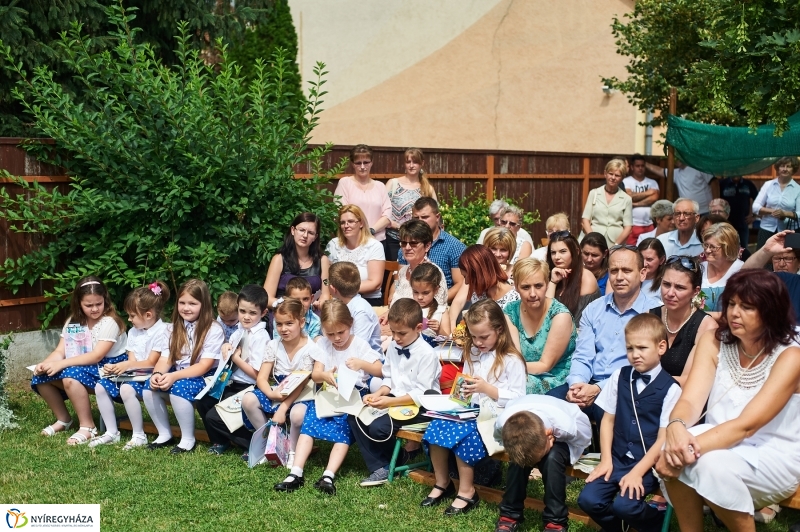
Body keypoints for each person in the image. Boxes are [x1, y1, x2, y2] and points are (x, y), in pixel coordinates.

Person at [656, 270, 800, 532]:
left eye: (747, 307)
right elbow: (690, 401)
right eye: (731, 303)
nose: (734, 313)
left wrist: (684, 450)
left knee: (703, 464)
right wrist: (676, 426)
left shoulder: (790, 356)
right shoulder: (714, 341)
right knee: (673, 445)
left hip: (772, 452)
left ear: (771, 311)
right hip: (716, 441)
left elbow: (747, 425)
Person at [421, 299, 526, 515]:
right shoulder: (474, 352)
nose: (478, 342)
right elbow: (467, 384)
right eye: (474, 336)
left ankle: (467, 491)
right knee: (437, 425)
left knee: (462, 434)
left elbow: (519, 398)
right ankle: (443, 482)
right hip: (471, 411)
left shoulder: (512, 359)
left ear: (499, 329)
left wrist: (488, 389)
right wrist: (460, 395)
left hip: (497, 417)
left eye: (484, 337)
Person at [578, 314, 680, 532]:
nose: (635, 355)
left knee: (626, 506)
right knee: (588, 499)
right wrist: (606, 460)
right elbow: (608, 420)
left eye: (642, 348)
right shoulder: (619, 376)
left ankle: (654, 521)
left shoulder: (671, 389)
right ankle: (618, 528)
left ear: (661, 347)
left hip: (648, 464)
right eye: (630, 348)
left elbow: (663, 438)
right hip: (617, 459)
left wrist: (636, 473)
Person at [275, 300, 383, 494]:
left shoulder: (359, 345)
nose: (336, 338)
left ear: (350, 325)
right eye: (330, 334)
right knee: (309, 425)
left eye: (341, 332)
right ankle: (296, 472)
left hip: (353, 395)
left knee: (343, 430)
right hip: (329, 395)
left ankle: (328, 475)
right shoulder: (324, 345)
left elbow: (380, 369)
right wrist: (325, 375)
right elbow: (315, 374)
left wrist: (362, 364)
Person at [547, 245, 657, 425]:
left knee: (609, 413)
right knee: (549, 406)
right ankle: (561, 453)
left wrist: (598, 388)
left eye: (627, 271)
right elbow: (582, 355)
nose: (619, 277)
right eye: (614, 271)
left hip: (626, 387)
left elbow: (643, 368)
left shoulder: (653, 312)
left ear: (643, 273)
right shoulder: (594, 309)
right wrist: (576, 385)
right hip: (587, 381)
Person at [348, 298, 441, 487]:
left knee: (378, 427)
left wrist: (388, 403)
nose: (397, 338)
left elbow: (420, 393)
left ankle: (388, 463)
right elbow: (389, 378)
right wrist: (379, 394)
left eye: (402, 333)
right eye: (393, 332)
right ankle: (383, 464)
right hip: (396, 398)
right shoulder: (394, 346)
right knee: (355, 416)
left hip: (421, 406)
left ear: (418, 328)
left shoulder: (427, 354)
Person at [32, 276, 127, 445]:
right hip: (83, 367)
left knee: (70, 375)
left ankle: (88, 426)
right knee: (40, 376)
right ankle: (63, 419)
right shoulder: (73, 322)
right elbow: (61, 350)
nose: (95, 309)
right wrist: (46, 364)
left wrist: (61, 364)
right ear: (79, 303)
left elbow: (97, 356)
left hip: (109, 370)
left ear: (105, 299)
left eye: (99, 303)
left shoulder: (110, 322)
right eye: (88, 305)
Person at [143, 279, 224, 453]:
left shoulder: (213, 329)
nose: (186, 308)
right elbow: (166, 358)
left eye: (192, 303)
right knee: (149, 386)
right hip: (178, 372)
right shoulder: (172, 329)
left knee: (179, 388)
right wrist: (157, 374)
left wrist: (173, 377)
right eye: (182, 302)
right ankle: (164, 433)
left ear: (204, 305)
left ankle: (188, 439)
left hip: (204, 377)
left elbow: (204, 365)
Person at [492, 395, 592, 532]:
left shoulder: (568, 427)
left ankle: (555, 521)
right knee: (519, 458)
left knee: (552, 458)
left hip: (567, 435)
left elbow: (584, 440)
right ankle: (509, 514)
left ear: (548, 434)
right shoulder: (503, 423)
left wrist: (555, 442)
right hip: (530, 421)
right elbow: (500, 439)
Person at [92, 281, 170, 449]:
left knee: (126, 389)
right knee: (100, 386)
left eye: (132, 315)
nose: (129, 319)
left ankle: (139, 434)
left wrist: (126, 366)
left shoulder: (163, 331)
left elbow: (152, 363)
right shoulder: (133, 331)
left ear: (148, 315)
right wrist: (116, 367)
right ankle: (111, 432)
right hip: (136, 373)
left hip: (152, 375)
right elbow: (132, 359)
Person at [241, 298, 318, 463]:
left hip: (301, 393)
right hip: (278, 389)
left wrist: (282, 408)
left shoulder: (310, 348)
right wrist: (271, 393)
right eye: (279, 324)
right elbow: (262, 377)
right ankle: (270, 441)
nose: (283, 329)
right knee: (248, 399)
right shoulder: (273, 345)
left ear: (302, 322)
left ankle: (293, 450)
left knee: (297, 415)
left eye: (289, 323)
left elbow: (302, 383)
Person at [202, 284, 270, 455]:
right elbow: (230, 357)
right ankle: (220, 441)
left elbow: (258, 374)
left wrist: (236, 359)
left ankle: (254, 444)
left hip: (249, 388)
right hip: (231, 382)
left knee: (214, 417)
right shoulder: (238, 331)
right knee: (204, 402)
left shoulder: (261, 337)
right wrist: (226, 347)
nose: (246, 317)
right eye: (242, 311)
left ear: (263, 313)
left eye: (252, 313)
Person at [505, 259, 576, 395]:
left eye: (538, 286)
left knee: (517, 385)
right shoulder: (511, 311)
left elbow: (545, 365)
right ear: (516, 287)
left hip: (555, 379)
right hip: (521, 373)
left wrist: (507, 369)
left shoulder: (559, 315)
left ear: (547, 285)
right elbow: (515, 357)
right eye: (525, 287)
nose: (532, 294)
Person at [649, 256, 717, 385]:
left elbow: (690, 381)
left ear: (695, 291)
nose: (670, 293)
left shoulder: (706, 327)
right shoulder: (650, 317)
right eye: (666, 284)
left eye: (679, 287)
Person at [398, 197, 466, 301]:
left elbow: (461, 283)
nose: (420, 221)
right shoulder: (406, 247)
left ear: (437, 217)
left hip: (442, 303)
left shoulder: (454, 246)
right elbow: (400, 281)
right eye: (416, 218)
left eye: (424, 217)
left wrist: (435, 302)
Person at [448, 244, 520, 332]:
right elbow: (458, 302)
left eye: (468, 277)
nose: (466, 282)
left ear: (480, 274)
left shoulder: (514, 299)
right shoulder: (477, 293)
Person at [264, 212, 330, 306]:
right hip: (283, 314)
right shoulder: (279, 259)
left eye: (310, 233)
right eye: (301, 230)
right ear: (293, 230)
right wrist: (289, 307)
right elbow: (267, 298)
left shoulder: (323, 260)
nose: (305, 235)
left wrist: (318, 304)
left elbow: (325, 294)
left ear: (315, 237)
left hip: (312, 314)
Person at [326, 204, 386, 306]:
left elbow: (375, 283)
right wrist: (327, 290)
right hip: (337, 301)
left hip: (368, 301)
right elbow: (325, 278)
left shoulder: (374, 246)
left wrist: (344, 290)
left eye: (350, 221)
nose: (346, 226)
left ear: (361, 223)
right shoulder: (333, 244)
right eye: (342, 222)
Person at [384, 148, 438, 261]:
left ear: (422, 163)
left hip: (419, 242)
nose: (411, 165)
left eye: (415, 162)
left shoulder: (428, 188)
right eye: (408, 162)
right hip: (394, 240)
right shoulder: (393, 184)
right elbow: (382, 210)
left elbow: (435, 215)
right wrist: (397, 226)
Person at [333, 144, 392, 242]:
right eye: (358, 163)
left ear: (372, 162)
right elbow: (341, 212)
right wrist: (360, 234)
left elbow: (387, 215)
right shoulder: (345, 183)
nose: (362, 166)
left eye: (366, 162)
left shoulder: (380, 186)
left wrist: (371, 231)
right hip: (352, 241)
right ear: (352, 164)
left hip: (377, 240)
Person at [386, 220, 448, 309]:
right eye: (403, 243)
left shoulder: (433, 273)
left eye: (413, 243)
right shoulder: (403, 271)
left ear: (427, 246)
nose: (407, 248)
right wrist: (388, 314)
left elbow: (435, 312)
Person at [742, 230, 800, 322]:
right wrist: (766, 251)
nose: (781, 264)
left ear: (799, 263)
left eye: (787, 259)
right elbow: (743, 277)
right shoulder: (766, 281)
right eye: (776, 258)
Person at [545, 232, 599, 326]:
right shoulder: (550, 274)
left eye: (563, 251)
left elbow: (579, 323)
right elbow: (545, 314)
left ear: (576, 251)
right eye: (553, 252)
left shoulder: (586, 278)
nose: (557, 257)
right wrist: (553, 282)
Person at [328, 261, 382, 353]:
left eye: (326, 282)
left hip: (367, 361)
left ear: (333, 289)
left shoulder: (361, 311)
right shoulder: (337, 304)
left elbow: (359, 347)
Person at [581, 159, 633, 247]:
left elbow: (628, 227)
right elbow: (585, 219)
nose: (613, 177)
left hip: (615, 243)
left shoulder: (626, 199)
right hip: (592, 241)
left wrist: (616, 245)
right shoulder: (594, 193)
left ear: (622, 178)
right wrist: (592, 239)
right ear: (605, 173)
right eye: (611, 173)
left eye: (617, 175)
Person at [753, 157, 800, 250]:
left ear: (793, 169)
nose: (785, 169)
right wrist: (773, 211)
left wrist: (785, 214)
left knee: (786, 258)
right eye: (782, 166)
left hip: (788, 231)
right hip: (766, 229)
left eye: (788, 166)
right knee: (763, 260)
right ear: (778, 168)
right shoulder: (768, 185)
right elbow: (755, 207)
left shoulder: (798, 189)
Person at [700, 223, 745, 315]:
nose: (707, 250)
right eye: (706, 245)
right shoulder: (700, 269)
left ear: (727, 248)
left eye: (713, 247)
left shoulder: (741, 270)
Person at [646, 160, 716, 215]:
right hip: (689, 212)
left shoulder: (699, 168)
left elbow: (714, 183)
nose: (676, 159)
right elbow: (661, 171)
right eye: (675, 157)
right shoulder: (676, 173)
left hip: (705, 211)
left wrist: (715, 202)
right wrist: (645, 163)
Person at [624, 154, 660, 245]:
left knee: (649, 249)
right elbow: (629, 196)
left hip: (649, 224)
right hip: (632, 225)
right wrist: (648, 192)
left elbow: (655, 197)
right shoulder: (626, 181)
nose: (640, 168)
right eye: (637, 166)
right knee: (631, 251)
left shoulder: (652, 182)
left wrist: (635, 204)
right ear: (632, 167)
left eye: (642, 166)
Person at [719, 175, 759, 249]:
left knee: (743, 249)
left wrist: (754, 216)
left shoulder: (748, 184)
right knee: (726, 247)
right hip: (726, 223)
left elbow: (758, 200)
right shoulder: (722, 184)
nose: (735, 173)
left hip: (743, 223)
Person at [638, 238, 666, 302]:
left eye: (649, 259)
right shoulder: (630, 278)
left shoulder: (666, 284)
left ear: (661, 260)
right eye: (641, 258)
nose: (644, 264)